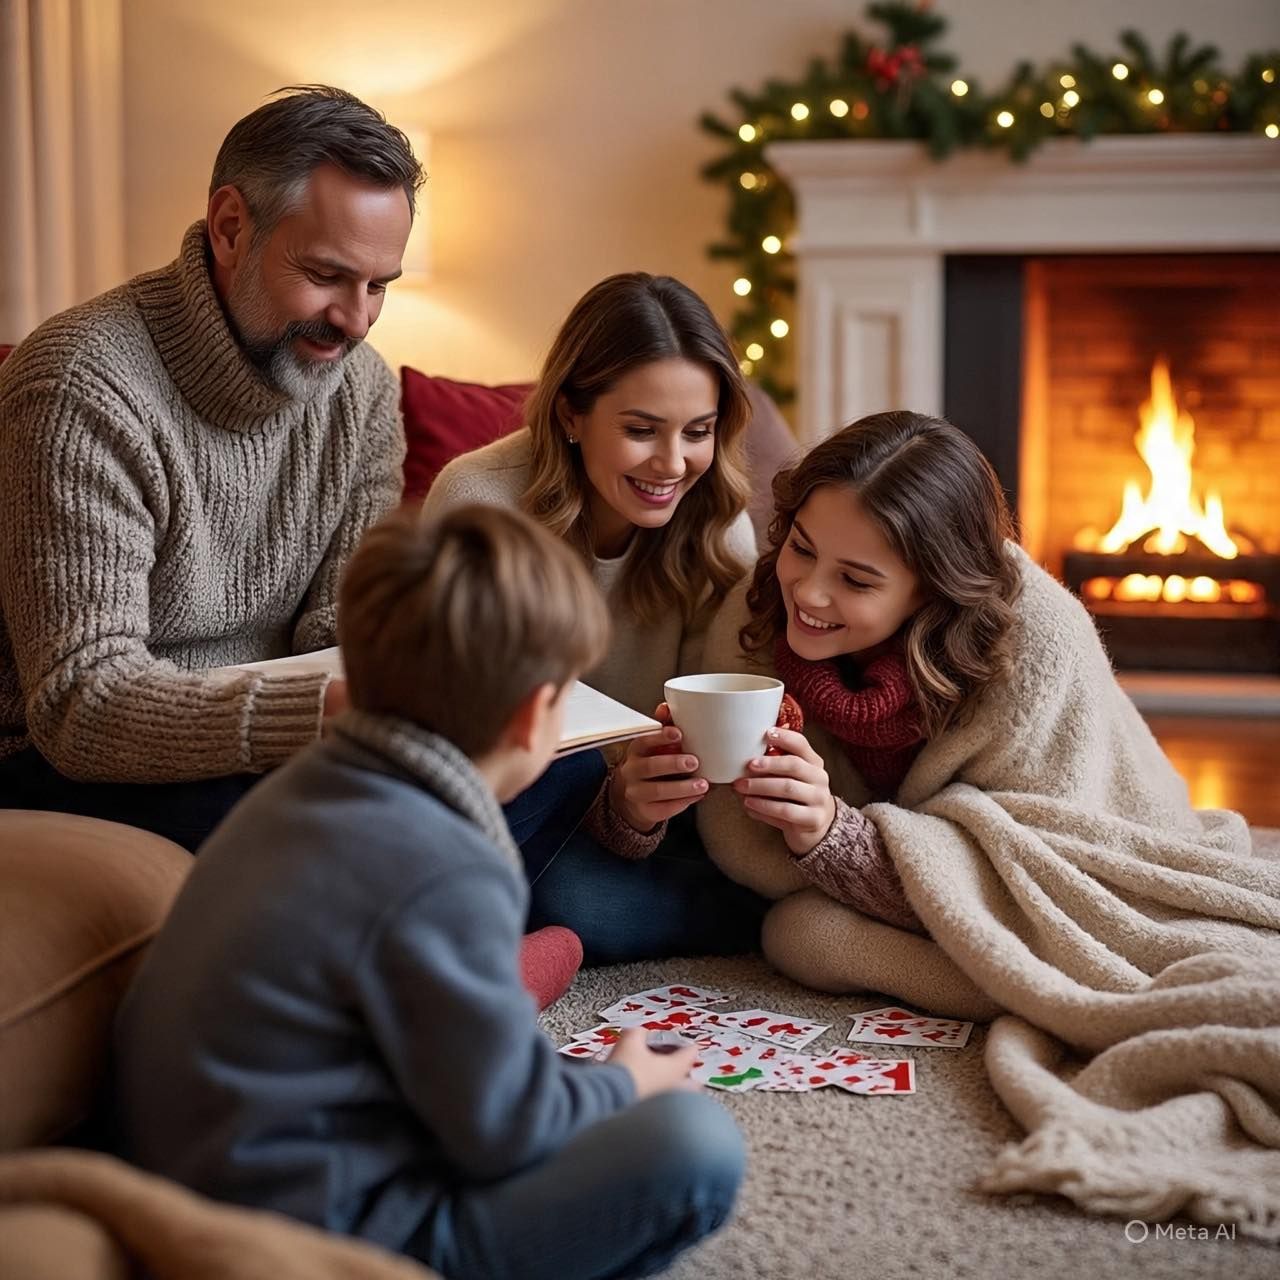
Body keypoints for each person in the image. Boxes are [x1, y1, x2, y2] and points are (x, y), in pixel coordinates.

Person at [113, 503, 745, 1279]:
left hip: (220, 1170)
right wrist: (624, 1083)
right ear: (533, 716)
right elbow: (504, 1132)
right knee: (695, 1142)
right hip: (316, 1231)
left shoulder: (306, 783)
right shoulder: (447, 866)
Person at [695, 410, 1264, 1021]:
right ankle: (1007, 977)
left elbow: (1046, 872)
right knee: (800, 933)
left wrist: (836, 837)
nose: (808, 591)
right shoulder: (755, 616)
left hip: (1077, 853)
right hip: (909, 879)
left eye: (856, 581)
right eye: (801, 548)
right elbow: (742, 842)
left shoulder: (1035, 643)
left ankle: (1025, 982)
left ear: (933, 589)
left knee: (808, 935)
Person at [0, 85, 418, 850]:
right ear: (231, 227)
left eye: (378, 286)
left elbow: (339, 621)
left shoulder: (361, 390)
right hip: (69, 761)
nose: (356, 321)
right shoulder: (79, 385)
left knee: (528, 774)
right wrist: (315, 716)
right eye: (327, 275)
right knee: (350, 835)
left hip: (279, 743)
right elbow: (78, 704)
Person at [422, 273, 767, 961]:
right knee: (566, 851)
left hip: (652, 822)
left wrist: (646, 802)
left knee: (586, 903)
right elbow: (463, 742)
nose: (673, 464)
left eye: (698, 432)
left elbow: (718, 731)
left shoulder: (720, 531)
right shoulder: (480, 504)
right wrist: (607, 800)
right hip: (507, 801)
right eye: (641, 431)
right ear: (572, 416)